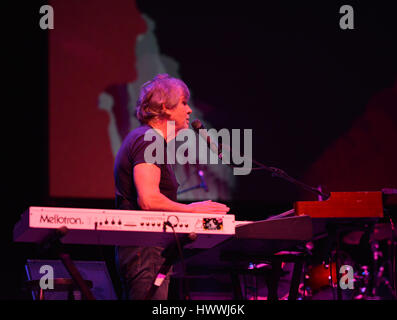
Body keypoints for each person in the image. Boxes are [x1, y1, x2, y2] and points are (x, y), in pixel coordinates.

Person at [114, 74, 230, 300]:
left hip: (145, 251)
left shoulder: (147, 140)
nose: (189, 111)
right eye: (184, 103)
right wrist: (194, 210)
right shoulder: (148, 139)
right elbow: (148, 200)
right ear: (166, 107)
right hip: (143, 251)